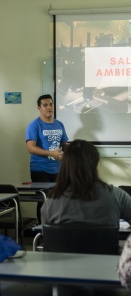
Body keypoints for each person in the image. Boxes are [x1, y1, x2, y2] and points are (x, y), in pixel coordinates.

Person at [41, 139, 131, 228]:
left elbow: (48, 236)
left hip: (61, 257)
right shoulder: (116, 195)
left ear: (65, 166)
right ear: (96, 165)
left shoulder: (50, 203)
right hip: (106, 256)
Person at [26, 94, 69, 223]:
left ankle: (57, 231)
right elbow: (31, 148)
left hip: (58, 169)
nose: (49, 107)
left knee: (60, 202)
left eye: (51, 104)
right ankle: (43, 233)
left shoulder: (59, 124)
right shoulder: (34, 125)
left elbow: (64, 144)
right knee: (44, 202)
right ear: (39, 107)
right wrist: (51, 153)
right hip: (40, 170)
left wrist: (76, 148)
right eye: (45, 105)